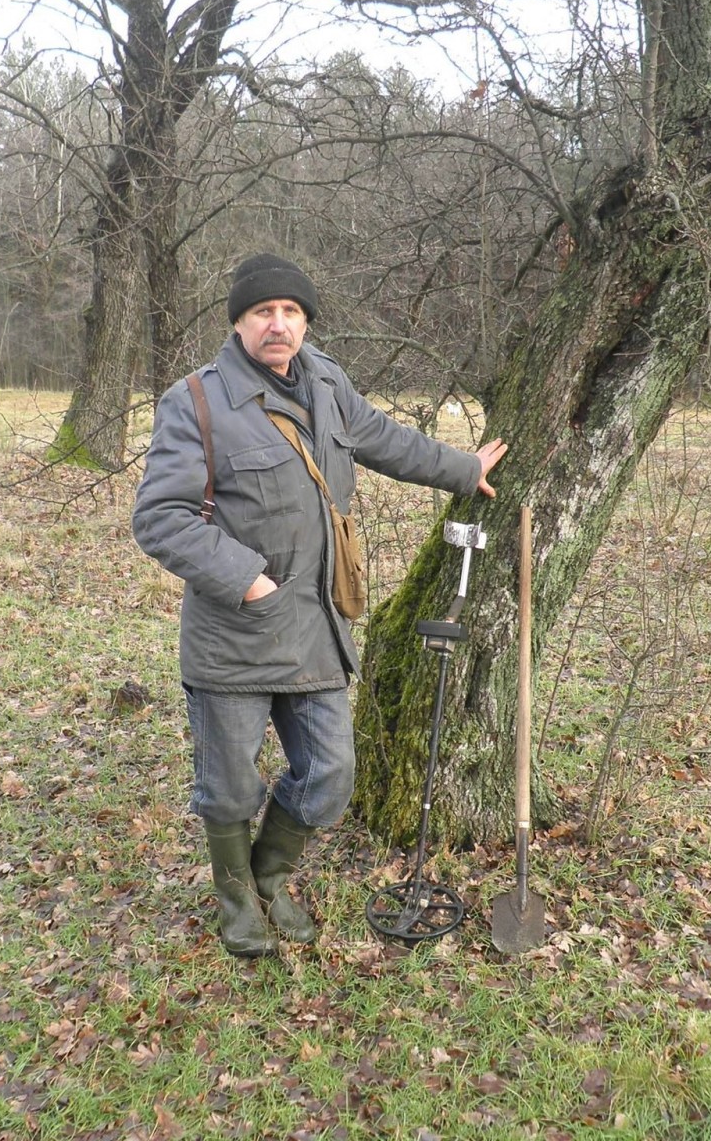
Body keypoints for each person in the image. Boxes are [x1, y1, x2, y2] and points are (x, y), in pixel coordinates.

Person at [132, 253, 507, 957]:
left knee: (331, 774)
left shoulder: (326, 381)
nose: (278, 325)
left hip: (316, 626)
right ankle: (237, 899)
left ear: (305, 321)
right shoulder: (198, 402)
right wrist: (247, 578)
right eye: (263, 312)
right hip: (235, 634)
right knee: (230, 786)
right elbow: (161, 517)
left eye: (291, 312)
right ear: (238, 322)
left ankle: (271, 876)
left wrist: (461, 468)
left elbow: (381, 439)